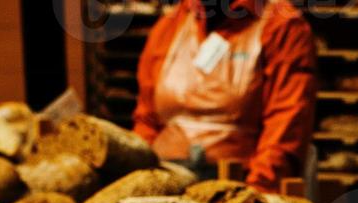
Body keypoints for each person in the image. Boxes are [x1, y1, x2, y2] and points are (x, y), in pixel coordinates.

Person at [133, 0, 318, 191]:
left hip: (239, 182)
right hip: (164, 179)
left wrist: (254, 193)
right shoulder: (172, 23)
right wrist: (138, 177)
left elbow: (286, 125)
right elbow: (146, 120)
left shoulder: (280, 24)